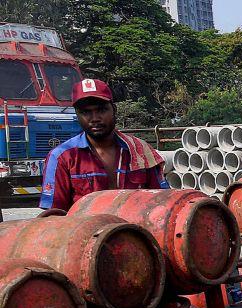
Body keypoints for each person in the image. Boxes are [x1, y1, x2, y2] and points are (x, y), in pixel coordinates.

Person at [40, 79, 166, 212]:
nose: (95, 118)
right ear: (77, 115)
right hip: (84, 225)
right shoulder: (62, 157)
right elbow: (54, 214)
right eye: (86, 112)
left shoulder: (140, 150)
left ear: (114, 110)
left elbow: (162, 201)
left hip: (134, 225)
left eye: (101, 110)